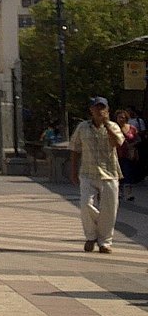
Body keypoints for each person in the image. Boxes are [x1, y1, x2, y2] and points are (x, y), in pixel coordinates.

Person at [70, 96, 124, 253]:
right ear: (91, 110)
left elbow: (118, 143)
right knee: (86, 204)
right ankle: (91, 236)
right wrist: (73, 171)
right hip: (88, 172)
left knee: (109, 208)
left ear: (107, 111)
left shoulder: (113, 126)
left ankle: (105, 242)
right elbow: (75, 148)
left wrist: (107, 125)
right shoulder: (82, 127)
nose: (99, 111)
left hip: (110, 172)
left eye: (102, 108)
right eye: (96, 108)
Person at [114, 108, 138, 203]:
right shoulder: (113, 128)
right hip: (116, 153)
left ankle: (128, 193)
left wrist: (132, 145)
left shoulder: (132, 128)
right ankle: (118, 192)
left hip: (128, 154)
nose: (121, 119)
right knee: (117, 173)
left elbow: (137, 140)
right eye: (120, 117)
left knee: (127, 173)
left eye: (123, 117)